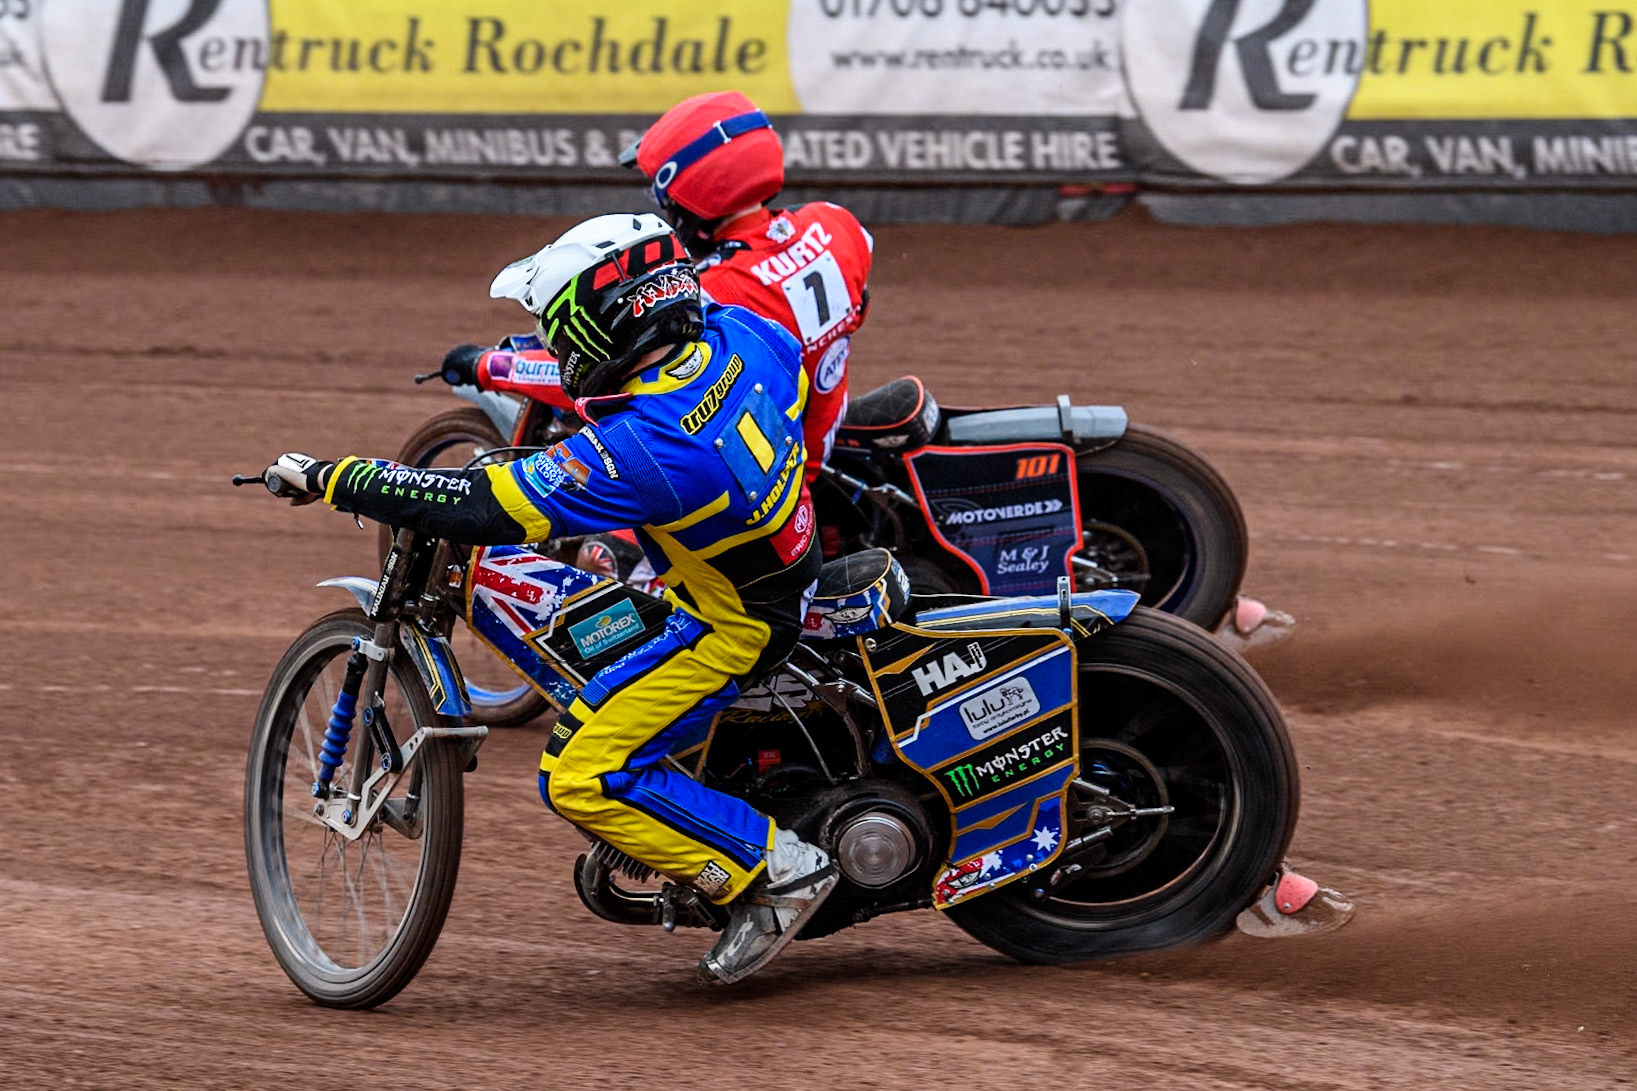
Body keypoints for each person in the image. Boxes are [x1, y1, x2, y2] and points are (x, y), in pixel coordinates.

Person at [267, 213, 837, 985]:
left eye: (565, 335)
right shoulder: (742, 334)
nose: (560, 353)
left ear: (616, 322)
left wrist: (341, 477)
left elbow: (486, 505)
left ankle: (773, 872)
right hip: (770, 562)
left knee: (578, 771)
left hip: (732, 625)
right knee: (592, 626)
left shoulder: (648, 448)